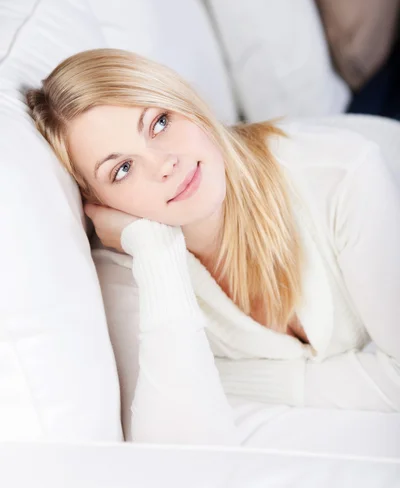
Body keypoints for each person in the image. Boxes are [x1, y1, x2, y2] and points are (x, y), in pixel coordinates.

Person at [25, 48, 400, 445]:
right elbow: (179, 450)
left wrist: (250, 380)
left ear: (185, 101)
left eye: (159, 122)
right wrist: (157, 254)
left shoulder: (340, 172)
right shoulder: (132, 264)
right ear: (99, 205)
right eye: (122, 169)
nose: (163, 163)